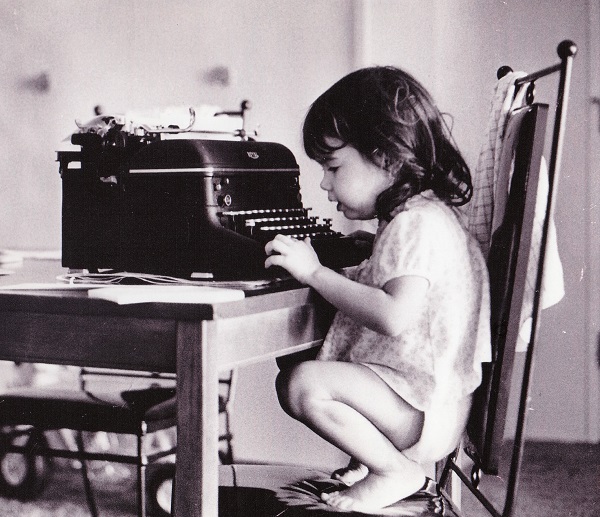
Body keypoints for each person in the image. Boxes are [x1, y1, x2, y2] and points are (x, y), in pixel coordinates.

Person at [264, 66, 491, 513]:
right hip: (429, 404)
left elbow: (393, 315)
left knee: (303, 383)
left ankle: (393, 470)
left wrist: (315, 273)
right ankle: (373, 463)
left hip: (424, 411)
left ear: (385, 157)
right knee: (297, 363)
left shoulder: (415, 224)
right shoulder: (423, 217)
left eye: (332, 167)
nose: (325, 184)